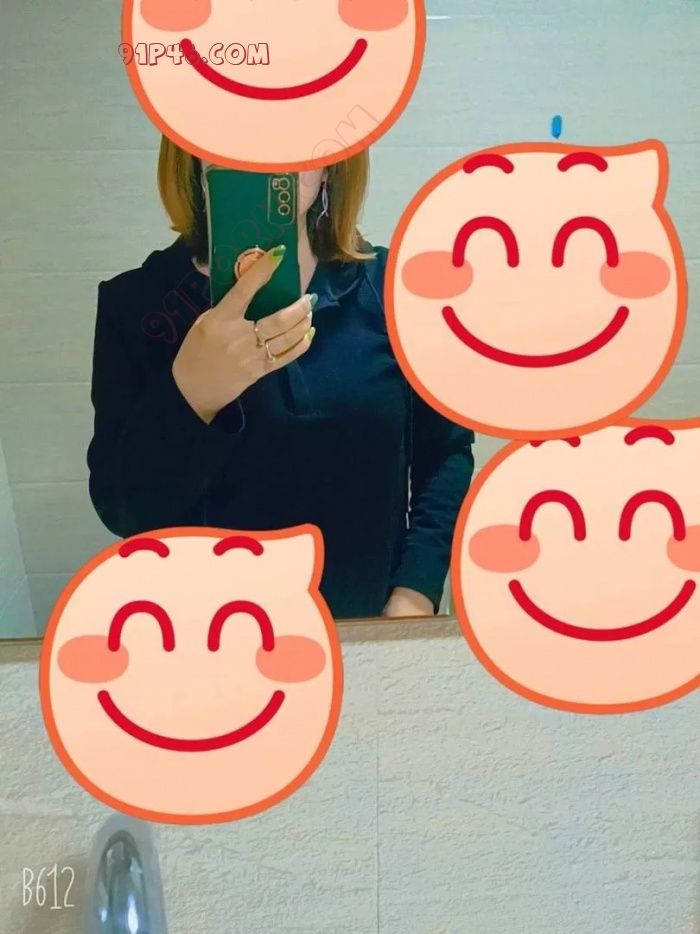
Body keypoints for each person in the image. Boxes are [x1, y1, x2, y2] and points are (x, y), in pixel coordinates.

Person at [87, 136, 475, 619]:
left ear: (332, 163)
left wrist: (414, 593)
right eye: (232, 127)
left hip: (369, 626)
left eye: (296, 130)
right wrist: (191, 395)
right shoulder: (137, 307)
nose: (263, 152)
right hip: (211, 635)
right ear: (190, 154)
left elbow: (445, 452)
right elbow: (124, 511)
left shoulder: (396, 290)